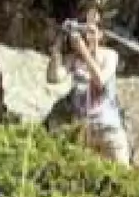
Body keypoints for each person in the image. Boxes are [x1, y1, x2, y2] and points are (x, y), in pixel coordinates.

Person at [48, 10, 129, 166]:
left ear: (100, 34)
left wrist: (83, 51)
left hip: (109, 129)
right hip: (84, 129)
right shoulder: (74, 60)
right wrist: (57, 46)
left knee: (122, 173)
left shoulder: (110, 55)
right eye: (84, 30)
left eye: (91, 31)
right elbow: (53, 77)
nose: (87, 36)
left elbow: (100, 80)